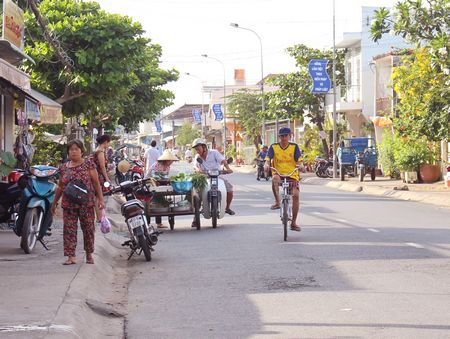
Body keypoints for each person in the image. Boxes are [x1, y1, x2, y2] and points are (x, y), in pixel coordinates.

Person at [51, 139, 104, 265]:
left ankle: (89, 254)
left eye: (76, 149)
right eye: (71, 149)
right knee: (69, 230)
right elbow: (60, 187)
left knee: (88, 229)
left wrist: (101, 199)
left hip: (87, 203)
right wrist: (54, 203)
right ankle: (71, 257)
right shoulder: (63, 168)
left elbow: (96, 184)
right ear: (68, 152)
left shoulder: (88, 165)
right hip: (69, 204)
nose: (73, 152)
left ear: (82, 151)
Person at [264, 127, 303, 232]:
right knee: (274, 179)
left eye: (286, 135)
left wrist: (301, 165)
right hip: (279, 173)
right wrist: (266, 164)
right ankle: (277, 201)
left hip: (292, 174)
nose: (284, 138)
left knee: (296, 195)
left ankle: (293, 223)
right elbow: (268, 159)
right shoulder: (274, 147)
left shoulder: (294, 147)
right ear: (279, 137)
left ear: (290, 136)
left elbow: (299, 160)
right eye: (282, 136)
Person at [192, 138, 235, 215]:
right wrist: (198, 170)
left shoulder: (214, 153)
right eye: (196, 150)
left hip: (217, 176)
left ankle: (227, 208)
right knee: (197, 195)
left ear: (204, 147)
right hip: (204, 177)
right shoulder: (197, 156)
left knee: (229, 188)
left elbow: (222, 161)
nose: (198, 151)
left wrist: (228, 168)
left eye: (198, 149)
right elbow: (195, 166)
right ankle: (195, 218)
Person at [149, 149, 179, 228]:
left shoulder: (168, 167)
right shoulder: (158, 165)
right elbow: (155, 177)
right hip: (150, 183)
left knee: (160, 199)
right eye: (171, 160)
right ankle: (156, 223)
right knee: (157, 199)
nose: (172, 162)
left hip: (159, 184)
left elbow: (165, 178)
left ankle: (159, 223)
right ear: (167, 160)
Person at [91, 134, 112, 224]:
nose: (108, 145)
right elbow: (102, 167)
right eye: (108, 143)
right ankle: (99, 217)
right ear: (105, 142)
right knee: (99, 197)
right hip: (99, 176)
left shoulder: (97, 150)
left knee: (97, 197)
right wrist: (107, 178)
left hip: (97, 175)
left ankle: (99, 217)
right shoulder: (100, 152)